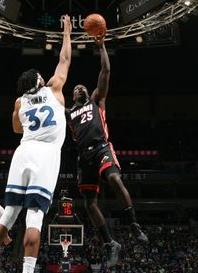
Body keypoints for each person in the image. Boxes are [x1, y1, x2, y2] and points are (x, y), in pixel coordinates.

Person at [0, 15, 73, 273]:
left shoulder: (19, 102)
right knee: (34, 217)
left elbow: (16, 128)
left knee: (9, 213)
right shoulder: (54, 89)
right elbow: (64, 60)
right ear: (41, 80)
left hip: (23, 152)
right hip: (45, 155)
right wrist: (66, 33)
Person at [67, 38, 147, 267]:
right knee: (88, 203)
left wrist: (101, 45)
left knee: (114, 177)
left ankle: (133, 224)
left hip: (101, 147)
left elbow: (106, 70)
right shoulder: (68, 113)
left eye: (82, 86)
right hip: (83, 157)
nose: (79, 88)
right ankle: (110, 244)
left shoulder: (96, 101)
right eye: (75, 88)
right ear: (73, 96)